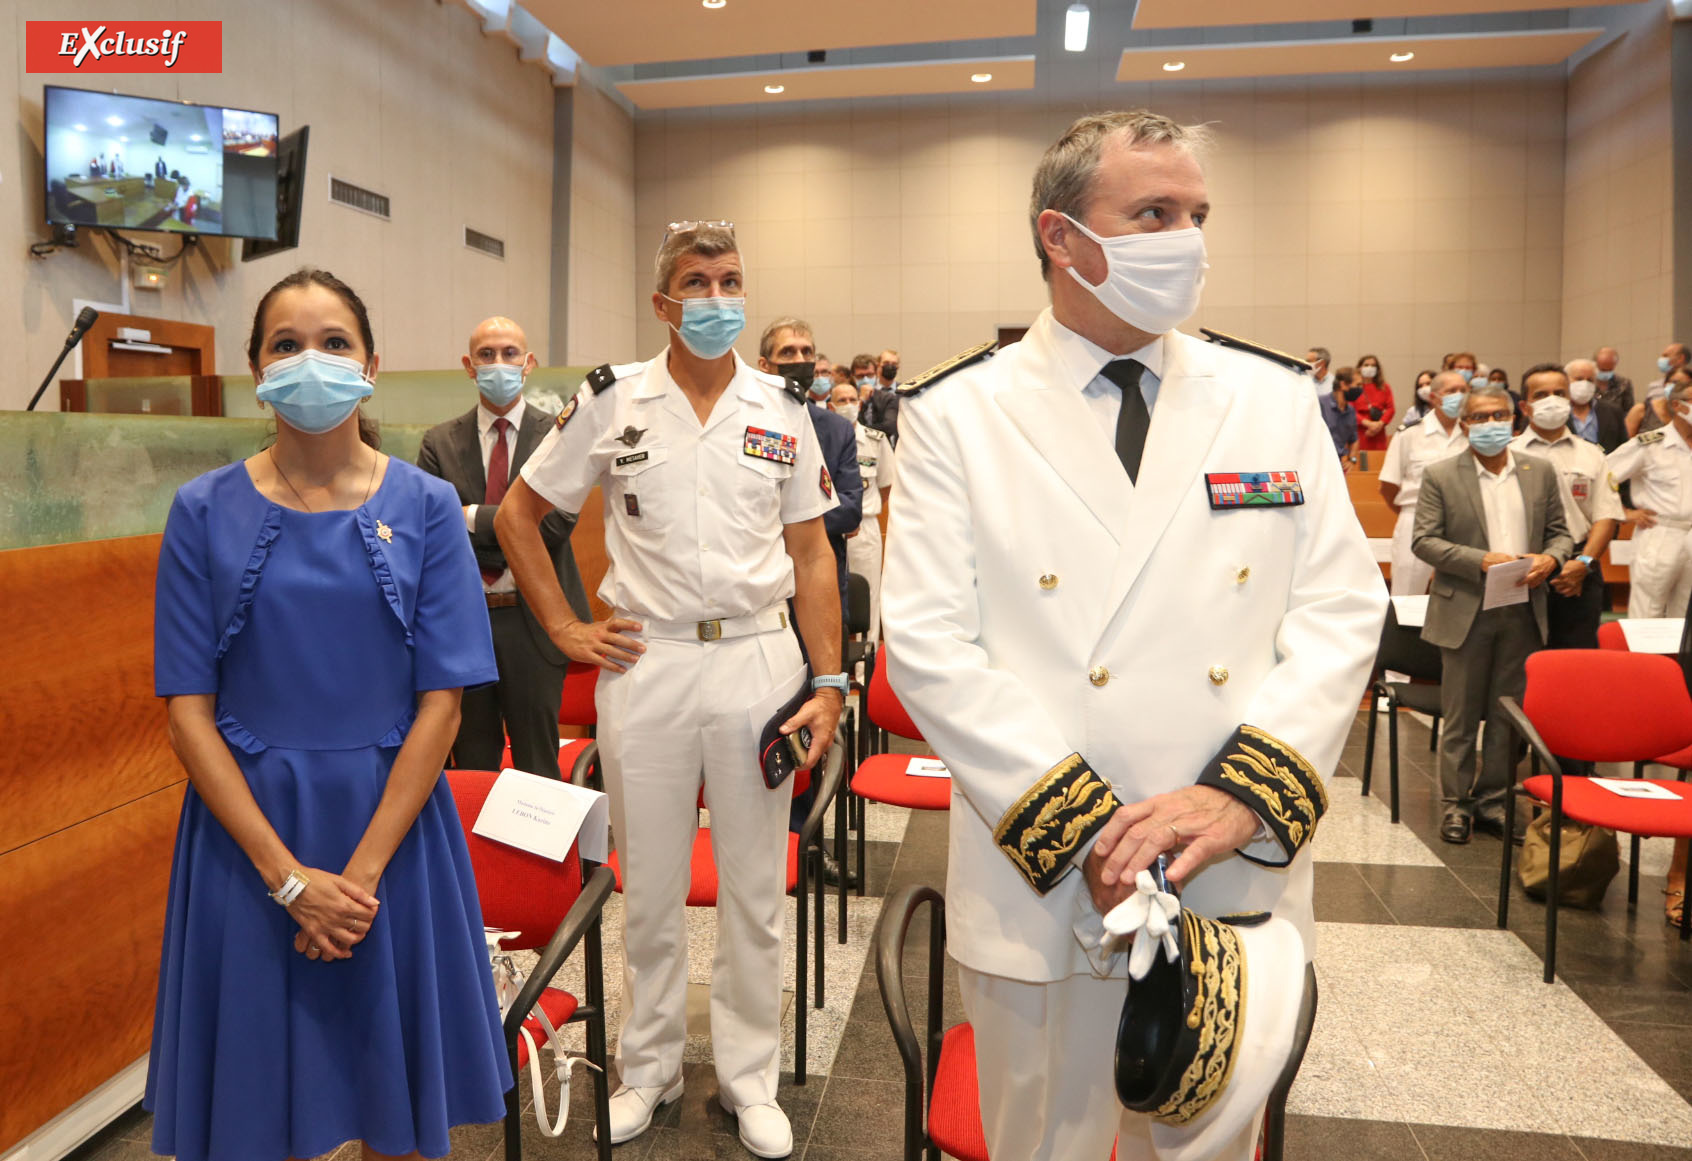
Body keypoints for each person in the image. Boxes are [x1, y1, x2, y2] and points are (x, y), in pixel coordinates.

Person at [881, 109, 1386, 1161]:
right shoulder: (956, 415)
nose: (1188, 241)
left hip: (1225, 862)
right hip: (1048, 866)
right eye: (1153, 213)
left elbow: (1341, 608)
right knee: (1043, 1146)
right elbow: (929, 643)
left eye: (1198, 215)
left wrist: (1239, 795)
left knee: (1206, 1147)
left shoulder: (1274, 398)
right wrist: (1091, 835)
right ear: (1062, 237)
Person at [494, 222, 844, 1158]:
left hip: (758, 665)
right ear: (663, 304)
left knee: (753, 887)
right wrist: (565, 629)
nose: (718, 297)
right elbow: (520, 514)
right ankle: (645, 1069)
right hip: (643, 665)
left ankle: (747, 1077)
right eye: (698, 282)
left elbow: (812, 553)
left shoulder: (783, 404)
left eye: (732, 280)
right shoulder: (614, 400)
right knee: (645, 883)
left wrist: (833, 680)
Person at [147, 268, 511, 1161]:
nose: (312, 359)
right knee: (258, 1107)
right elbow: (188, 712)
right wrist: (289, 878)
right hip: (249, 838)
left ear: (372, 364)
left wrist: (356, 876)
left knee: (399, 1103)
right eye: (287, 343)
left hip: (392, 832)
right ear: (257, 369)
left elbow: (443, 704)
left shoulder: (426, 508)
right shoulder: (200, 511)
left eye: (334, 342)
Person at [416, 315, 592, 780]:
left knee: (539, 767)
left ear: (528, 362)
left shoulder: (559, 434)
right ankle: (477, 857)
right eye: (487, 355)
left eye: (509, 354)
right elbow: (435, 531)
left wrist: (470, 516)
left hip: (534, 621)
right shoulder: (438, 443)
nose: (499, 363)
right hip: (464, 622)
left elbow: (555, 525)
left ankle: (544, 857)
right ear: (469, 366)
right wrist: (516, 525)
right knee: (472, 764)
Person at [1414, 383, 1572, 845]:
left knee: (1509, 713)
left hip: (1524, 607)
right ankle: (1456, 805)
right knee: (1461, 715)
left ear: (1514, 420)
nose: (1490, 425)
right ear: (1464, 425)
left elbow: (1562, 534)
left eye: (1499, 415)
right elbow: (1424, 540)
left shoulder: (1539, 470)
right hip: (1466, 606)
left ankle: (1493, 802)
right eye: (1480, 418)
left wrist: (1552, 559)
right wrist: (1478, 560)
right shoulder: (1441, 474)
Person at [1512, 364, 1622, 651]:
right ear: (1525, 406)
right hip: (1523, 566)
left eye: (1559, 393)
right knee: (1520, 659)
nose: (1552, 400)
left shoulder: (1592, 454)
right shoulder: (1507, 453)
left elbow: (1606, 516)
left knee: (1575, 659)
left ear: (1570, 400)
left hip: (1578, 569)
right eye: (1541, 394)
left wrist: (1583, 564)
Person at [755, 317, 863, 607]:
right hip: (762, 583)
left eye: (807, 352)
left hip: (822, 577)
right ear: (764, 365)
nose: (800, 360)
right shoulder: (746, 425)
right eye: (788, 352)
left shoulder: (836, 429)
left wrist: (775, 518)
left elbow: (850, 510)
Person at [1606, 368, 1692, 618]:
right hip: (1660, 532)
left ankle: (1680, 659)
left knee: (1686, 617)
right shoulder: (1650, 443)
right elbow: (1603, 477)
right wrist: (1625, 513)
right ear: (1678, 405)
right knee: (1648, 613)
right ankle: (1642, 658)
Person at [1379, 371, 1469, 595]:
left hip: (1464, 521)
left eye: (1463, 391)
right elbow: (1388, 487)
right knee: (1407, 591)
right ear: (1434, 397)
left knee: (1464, 592)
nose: (1459, 396)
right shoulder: (1410, 434)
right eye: (1451, 391)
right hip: (1417, 518)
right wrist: (1415, 513)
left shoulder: (1473, 434)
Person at [828, 378, 894, 641]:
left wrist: (864, 511)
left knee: (868, 594)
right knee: (830, 595)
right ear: (831, 407)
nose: (848, 405)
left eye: (852, 400)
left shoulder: (875, 441)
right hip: (831, 528)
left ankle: (864, 670)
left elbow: (887, 486)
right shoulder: (822, 437)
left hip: (865, 527)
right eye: (841, 400)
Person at [1564, 357, 1628, 451]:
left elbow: (1623, 448)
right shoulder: (1557, 411)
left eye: (1590, 380)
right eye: (1579, 379)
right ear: (1565, 380)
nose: (1584, 384)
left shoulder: (1613, 411)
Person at [1318, 364, 1360, 467]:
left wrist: (1352, 460)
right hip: (1319, 463)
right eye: (1358, 385)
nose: (1360, 389)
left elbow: (1354, 439)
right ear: (1343, 385)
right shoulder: (1320, 403)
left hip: (1338, 464)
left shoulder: (1350, 411)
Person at [1354, 354, 1395, 452]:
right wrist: (1368, 424)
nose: (1370, 368)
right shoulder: (1354, 387)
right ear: (1360, 368)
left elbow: (1391, 409)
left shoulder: (1384, 387)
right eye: (1366, 365)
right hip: (1360, 431)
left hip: (1379, 432)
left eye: (1373, 365)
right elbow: (1350, 410)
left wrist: (1379, 424)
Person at [859, 347, 902, 441]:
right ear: (878, 365)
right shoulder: (867, 389)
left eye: (894, 364)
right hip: (868, 441)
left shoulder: (904, 391)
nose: (890, 366)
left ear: (898, 366)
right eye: (886, 363)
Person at [1595, 345, 1634, 412]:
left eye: (1609, 370)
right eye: (1602, 370)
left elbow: (1629, 411)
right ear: (1595, 364)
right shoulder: (1587, 382)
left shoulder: (1624, 384)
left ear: (1614, 365)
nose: (1605, 373)